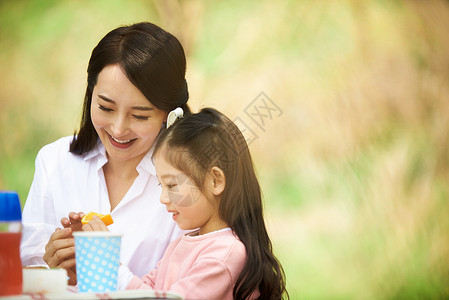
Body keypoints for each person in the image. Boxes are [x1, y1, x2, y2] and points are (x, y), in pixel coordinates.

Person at [20, 22, 191, 285]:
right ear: (91, 95)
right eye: (106, 107)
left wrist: (105, 271)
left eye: (139, 115)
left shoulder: (189, 183)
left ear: (170, 114)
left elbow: (192, 284)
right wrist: (54, 271)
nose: (119, 129)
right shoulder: (55, 162)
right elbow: (24, 274)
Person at [84, 108, 289, 299]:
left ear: (215, 181)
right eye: (160, 185)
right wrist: (93, 262)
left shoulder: (225, 255)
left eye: (172, 185)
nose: (163, 198)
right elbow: (141, 291)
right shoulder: (182, 243)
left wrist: (109, 263)